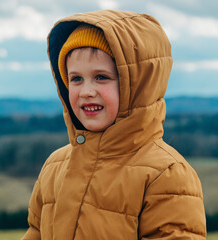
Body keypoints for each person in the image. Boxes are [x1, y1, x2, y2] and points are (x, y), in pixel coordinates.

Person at [22, 10, 206, 239]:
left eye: (101, 77)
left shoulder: (166, 174)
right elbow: (36, 232)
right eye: (76, 79)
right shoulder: (54, 165)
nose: (87, 92)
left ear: (138, 86)